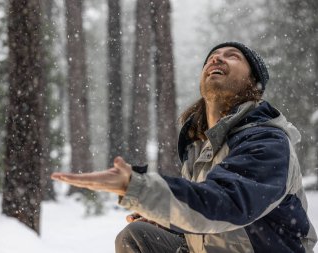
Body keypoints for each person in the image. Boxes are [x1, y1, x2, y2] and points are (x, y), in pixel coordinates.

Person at [51, 42, 317, 253]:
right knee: (139, 237)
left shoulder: (267, 141)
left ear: (253, 83)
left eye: (232, 55)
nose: (218, 58)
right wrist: (172, 222)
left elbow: (227, 203)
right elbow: (210, 217)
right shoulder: (198, 147)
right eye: (213, 56)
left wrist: (136, 186)